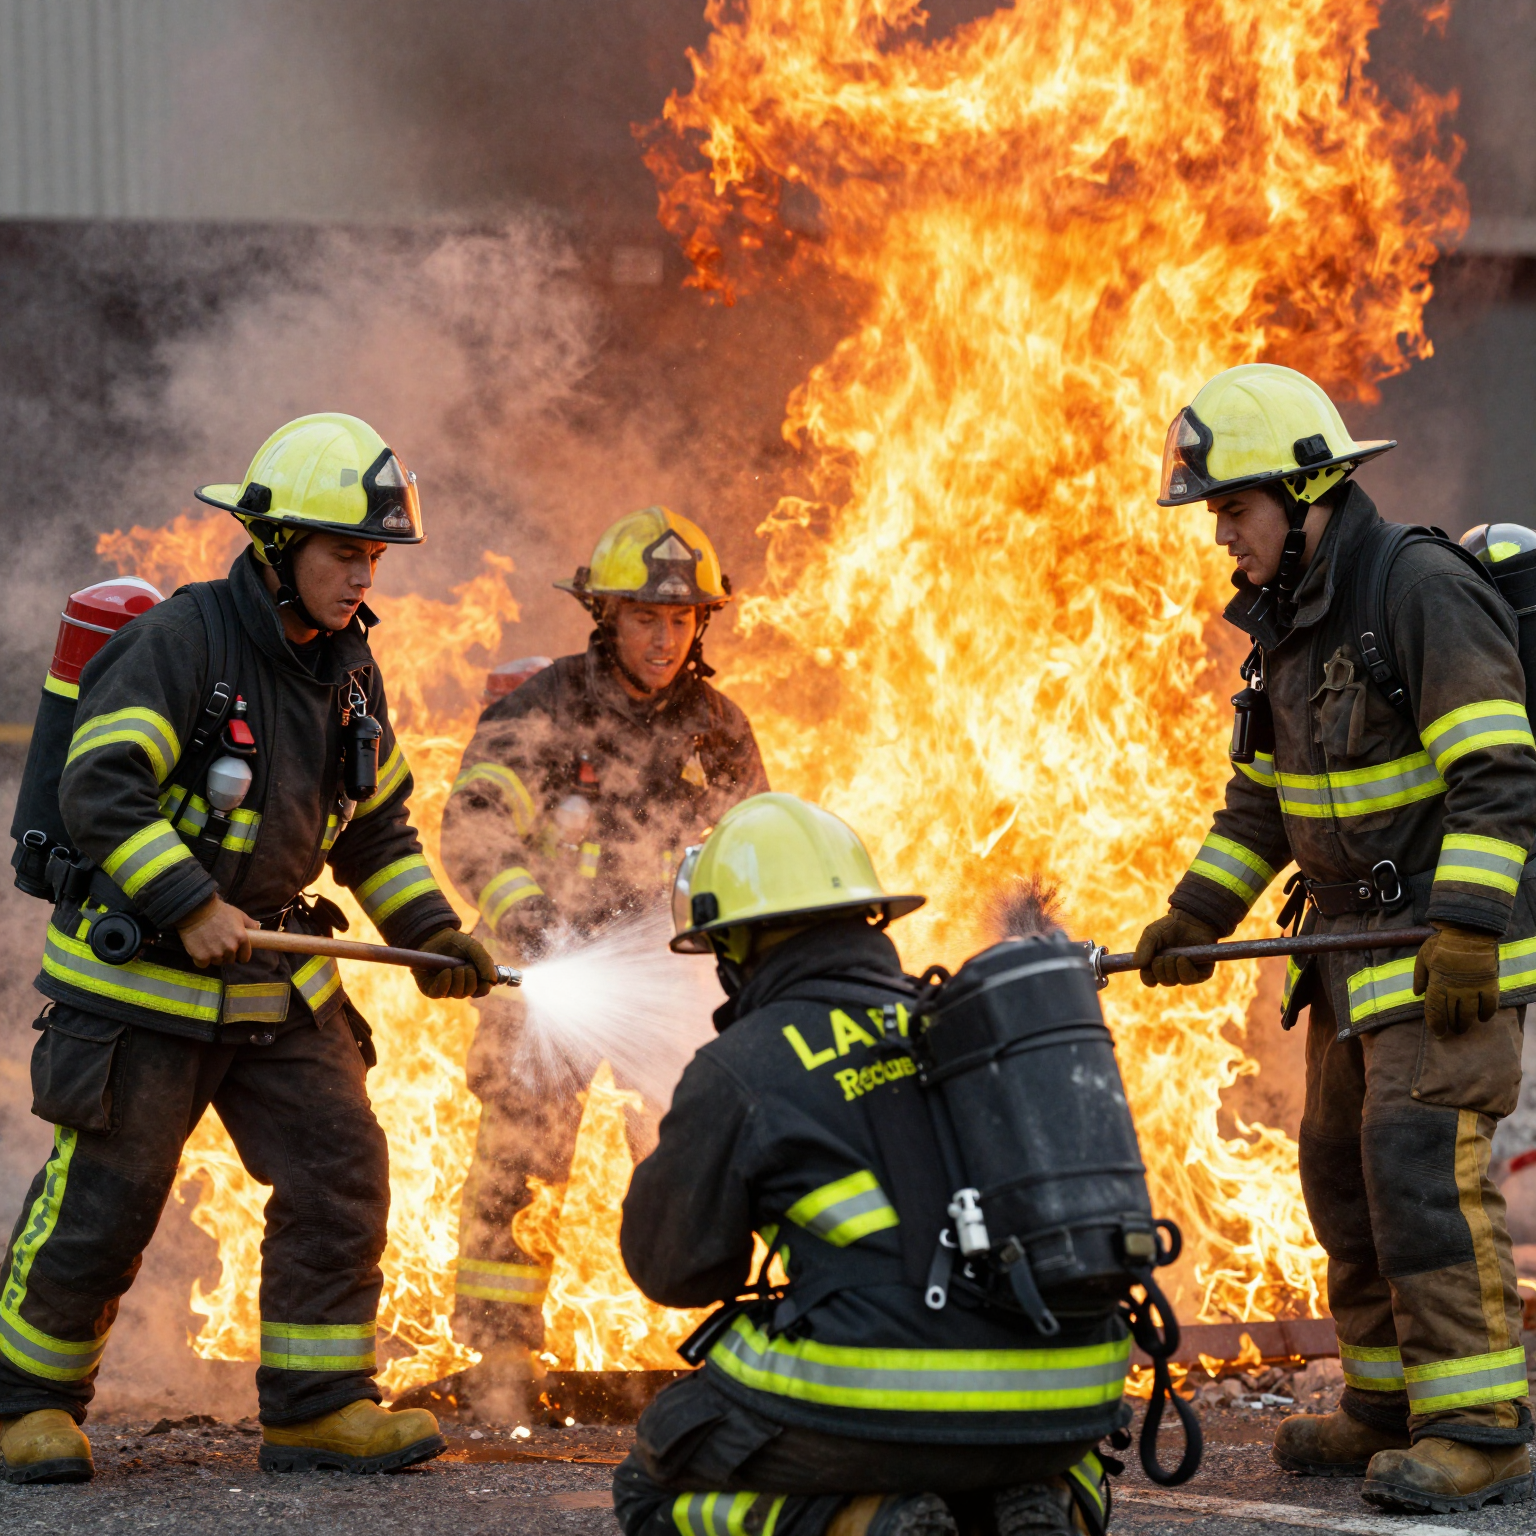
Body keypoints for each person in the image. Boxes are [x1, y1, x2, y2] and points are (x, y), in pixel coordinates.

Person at [0, 413, 496, 1485]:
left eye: (374, 556)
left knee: (339, 1168)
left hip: (272, 981)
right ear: (275, 545)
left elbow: (376, 828)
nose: (363, 575)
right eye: (344, 551)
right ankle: (25, 1404)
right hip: (143, 980)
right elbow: (102, 787)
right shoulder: (183, 642)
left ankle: (319, 1408)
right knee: (109, 1199)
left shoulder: (351, 672)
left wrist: (429, 934)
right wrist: (188, 903)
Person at [1136, 364, 1536, 1515]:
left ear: (1306, 491)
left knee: (1419, 1170)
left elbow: (1498, 772)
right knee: (1342, 1176)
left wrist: (1467, 927)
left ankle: (1479, 1430)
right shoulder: (1285, 631)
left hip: (1443, 952)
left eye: (1233, 509)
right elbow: (1260, 807)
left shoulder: (1417, 588)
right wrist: (1196, 916)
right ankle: (1387, 1402)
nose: (1222, 536)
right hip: (1351, 956)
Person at [612, 792, 1126, 1536]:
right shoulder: (963, 1022)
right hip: (1069, 1387)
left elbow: (677, 1272)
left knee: (653, 1477)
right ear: (866, 917)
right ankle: (1054, 1500)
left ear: (737, 944)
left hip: (879, 1393)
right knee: (1024, 1448)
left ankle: (863, 1521)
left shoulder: (744, 1064)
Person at [432, 506, 767, 1416]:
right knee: (520, 1157)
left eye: (681, 619)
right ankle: (501, 1359)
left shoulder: (720, 730)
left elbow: (754, 852)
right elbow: (473, 823)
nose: (664, 639)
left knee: (709, 1151)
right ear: (605, 615)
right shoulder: (543, 708)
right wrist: (530, 922)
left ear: (701, 624)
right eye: (644, 617)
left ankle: (740, 1339)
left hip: (671, 979)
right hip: (552, 975)